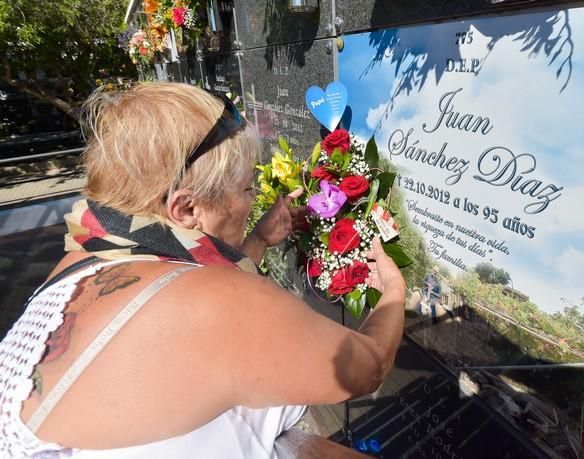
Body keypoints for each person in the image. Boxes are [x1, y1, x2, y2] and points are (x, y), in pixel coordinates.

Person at [0, 82, 406, 458]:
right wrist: (393, 288)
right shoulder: (211, 306)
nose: (252, 201)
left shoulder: (86, 254)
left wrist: (258, 242)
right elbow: (367, 367)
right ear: (186, 208)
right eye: (248, 188)